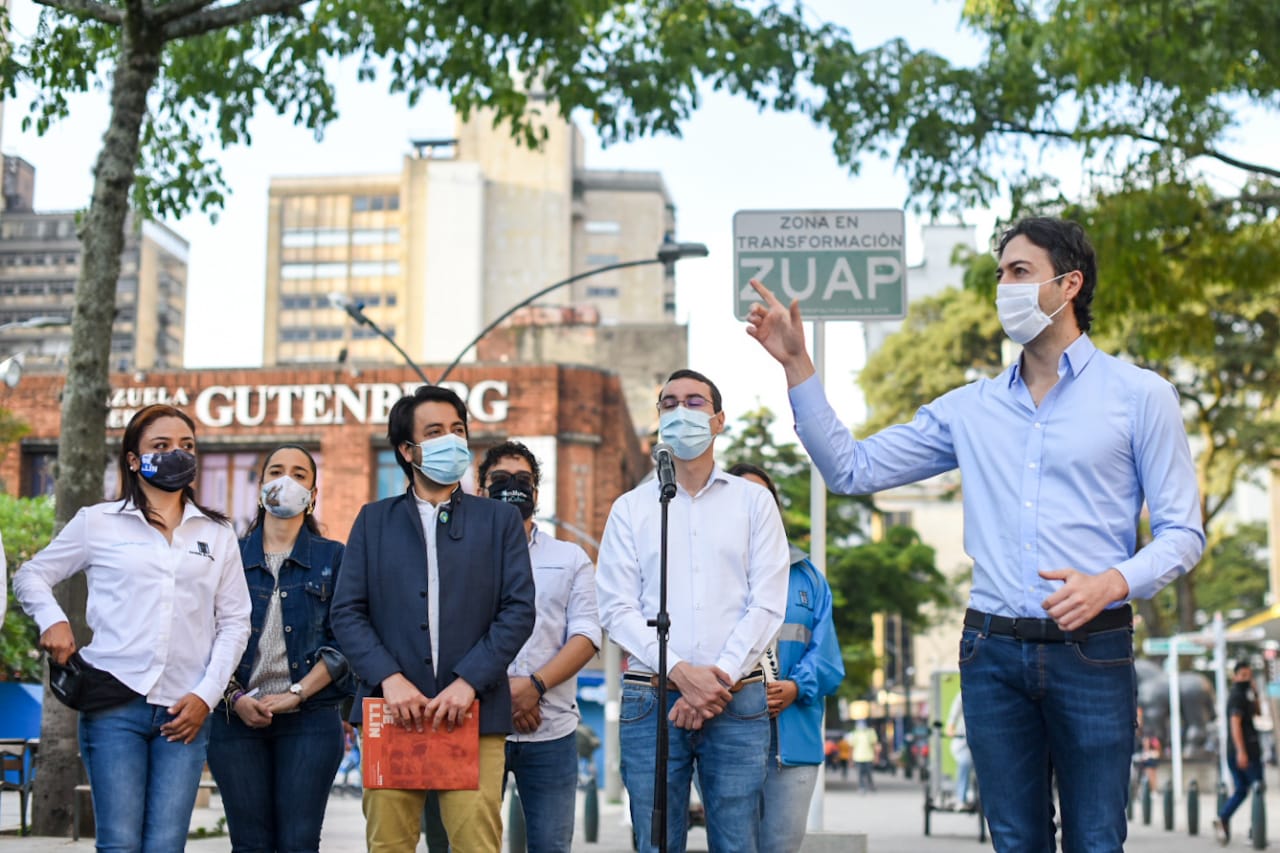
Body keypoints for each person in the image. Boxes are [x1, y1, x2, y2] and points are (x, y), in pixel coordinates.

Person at [745, 217, 1205, 852]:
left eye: (1020, 273)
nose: (1004, 289)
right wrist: (798, 365)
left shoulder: (1141, 396)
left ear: (1069, 284)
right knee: (1014, 841)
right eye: (1001, 276)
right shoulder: (970, 408)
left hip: (1092, 649)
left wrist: (1113, 582)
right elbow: (852, 468)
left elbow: (1183, 533)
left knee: (1097, 840)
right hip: (991, 654)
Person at [13, 404, 251, 852]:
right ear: (133, 459)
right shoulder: (98, 523)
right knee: (119, 844)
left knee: (165, 845)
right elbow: (31, 575)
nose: (177, 454)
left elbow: (236, 622)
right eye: (161, 446)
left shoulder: (217, 535)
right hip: (113, 703)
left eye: (187, 446)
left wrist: (207, 695)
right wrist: (54, 619)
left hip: (186, 709)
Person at [330, 384, 536, 853]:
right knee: (389, 842)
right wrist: (390, 680)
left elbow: (518, 610)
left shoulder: (497, 521)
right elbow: (347, 612)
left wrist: (468, 682)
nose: (451, 440)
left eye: (458, 429)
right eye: (435, 431)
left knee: (475, 841)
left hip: (474, 711)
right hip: (391, 711)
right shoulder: (373, 521)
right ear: (407, 449)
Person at [595, 369, 789, 853]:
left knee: (738, 842)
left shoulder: (754, 502)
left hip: (737, 698)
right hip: (651, 699)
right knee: (656, 840)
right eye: (669, 403)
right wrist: (683, 673)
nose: (681, 411)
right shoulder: (632, 508)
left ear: (719, 420)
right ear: (658, 419)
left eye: (695, 402)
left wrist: (716, 678)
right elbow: (616, 608)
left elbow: (767, 602)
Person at [206, 444, 349, 852]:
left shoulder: (334, 558)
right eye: (276, 471)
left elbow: (346, 643)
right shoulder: (227, 554)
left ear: (313, 494)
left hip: (311, 719)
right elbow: (204, 636)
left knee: (298, 842)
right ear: (260, 487)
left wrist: (296, 693)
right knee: (250, 843)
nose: (287, 481)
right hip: (234, 718)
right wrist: (234, 697)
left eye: (300, 474)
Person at [477, 440, 601, 853]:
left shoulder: (570, 558)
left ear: (536, 492)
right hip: (476, 729)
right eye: (500, 480)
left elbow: (586, 635)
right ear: (480, 490)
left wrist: (534, 687)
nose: (512, 487)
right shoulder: (459, 556)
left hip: (552, 730)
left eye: (523, 480)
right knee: (472, 845)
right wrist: (505, 696)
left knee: (551, 846)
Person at [727, 462, 844, 853]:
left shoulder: (809, 578)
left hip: (792, 746)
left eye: (763, 498)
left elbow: (828, 660)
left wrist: (797, 686)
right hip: (723, 742)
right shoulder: (706, 576)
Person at [1216, 661, 1263, 845]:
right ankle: (1255, 831)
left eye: (1249, 675)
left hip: (1242, 750)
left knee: (1242, 789)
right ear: (1235, 676)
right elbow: (1235, 725)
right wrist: (1241, 752)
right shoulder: (1237, 696)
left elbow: (1258, 713)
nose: (1246, 679)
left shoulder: (1246, 695)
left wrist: (1256, 693)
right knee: (1257, 787)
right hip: (1245, 751)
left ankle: (1224, 817)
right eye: (1243, 675)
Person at [945, 692, 973, 807]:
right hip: (964, 739)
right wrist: (951, 726)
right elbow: (954, 713)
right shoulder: (963, 694)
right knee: (964, 763)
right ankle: (961, 797)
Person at [848, 721, 878, 793]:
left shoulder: (870, 732)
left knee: (869, 773)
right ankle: (861, 787)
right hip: (858, 757)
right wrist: (850, 759)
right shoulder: (854, 733)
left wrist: (876, 756)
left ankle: (870, 785)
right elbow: (851, 747)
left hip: (869, 757)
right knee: (859, 774)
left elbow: (874, 745)